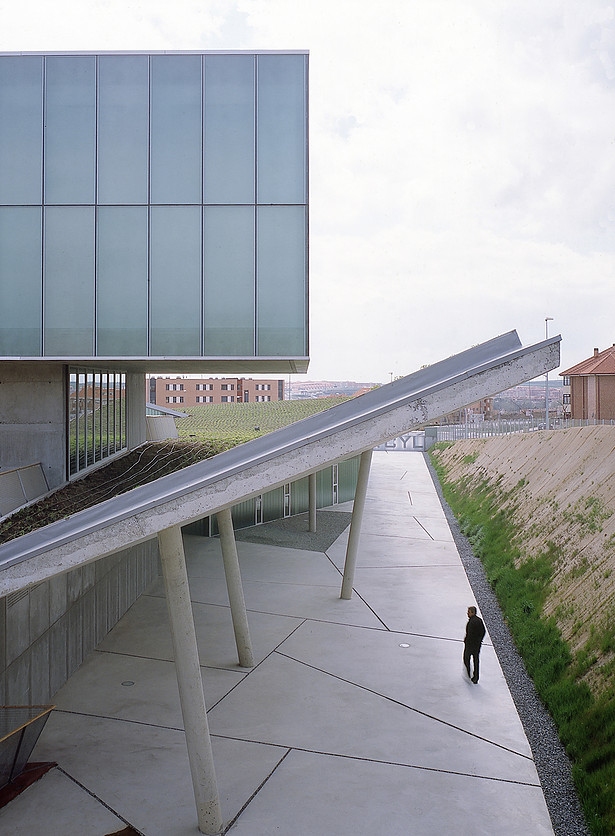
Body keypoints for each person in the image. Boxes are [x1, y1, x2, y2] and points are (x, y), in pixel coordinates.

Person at [464, 605, 486, 684]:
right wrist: (479, 640)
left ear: (472, 612)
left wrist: (467, 641)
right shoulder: (479, 620)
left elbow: (469, 634)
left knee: (466, 658)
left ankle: (468, 673)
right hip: (477, 645)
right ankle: (476, 677)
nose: (467, 613)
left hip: (470, 645)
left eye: (469, 612)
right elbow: (483, 632)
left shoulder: (471, 622)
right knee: (476, 660)